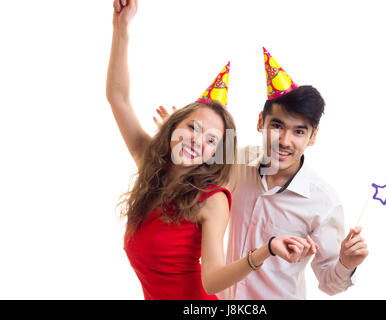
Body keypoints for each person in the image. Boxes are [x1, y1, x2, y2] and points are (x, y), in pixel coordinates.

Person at [106, 0, 318, 300]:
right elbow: (119, 98)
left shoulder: (211, 200)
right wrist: (121, 27)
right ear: (174, 125)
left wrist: (266, 250)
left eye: (211, 141)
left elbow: (213, 282)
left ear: (216, 154)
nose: (197, 141)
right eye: (193, 128)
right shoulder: (149, 163)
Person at [154, 48, 369, 300]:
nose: (285, 141)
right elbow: (197, 161)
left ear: (313, 137)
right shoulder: (237, 161)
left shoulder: (324, 201)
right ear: (260, 122)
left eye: (299, 131)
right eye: (277, 126)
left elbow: (330, 284)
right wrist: (180, 134)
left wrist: (346, 263)